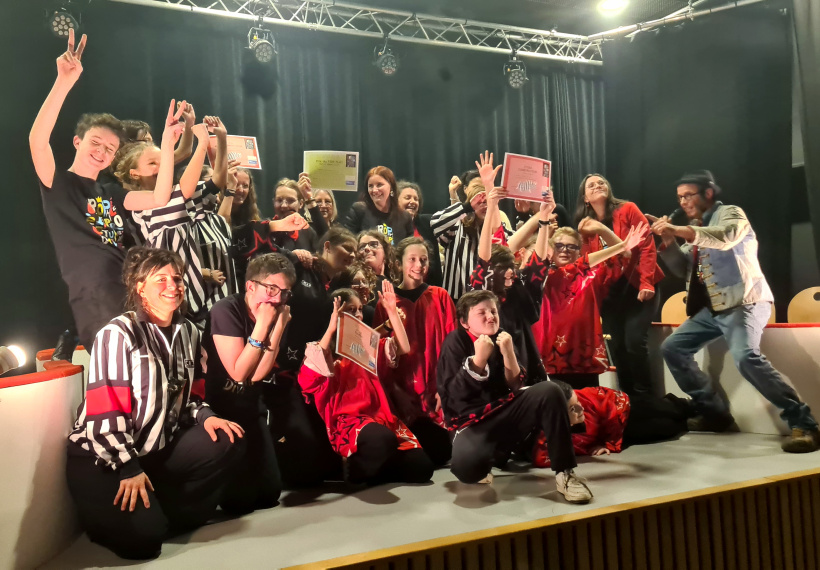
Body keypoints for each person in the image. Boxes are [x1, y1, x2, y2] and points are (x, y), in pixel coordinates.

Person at [65, 247, 245, 560]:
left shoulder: (189, 332)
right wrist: (128, 467)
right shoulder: (117, 333)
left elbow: (187, 397)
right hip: (105, 456)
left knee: (228, 438)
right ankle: (116, 515)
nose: (172, 285)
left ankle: (156, 513)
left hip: (153, 450)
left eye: (177, 278)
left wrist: (206, 416)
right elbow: (106, 410)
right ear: (139, 286)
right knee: (144, 544)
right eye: (160, 279)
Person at [29, 29, 187, 349]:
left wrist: (168, 145)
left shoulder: (111, 192)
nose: (101, 151)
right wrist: (64, 82)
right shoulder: (58, 183)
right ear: (78, 142)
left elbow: (160, 197)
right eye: (95, 142)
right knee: (119, 371)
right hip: (94, 299)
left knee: (153, 367)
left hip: (132, 292)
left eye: (110, 148)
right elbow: (37, 140)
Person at [651, 170, 820, 452]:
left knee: (745, 357)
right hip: (712, 310)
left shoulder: (731, 214)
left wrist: (678, 230)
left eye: (689, 195)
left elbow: (725, 237)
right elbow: (682, 269)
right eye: (679, 197)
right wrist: (668, 243)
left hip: (745, 302)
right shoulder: (694, 227)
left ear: (708, 193)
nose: (683, 202)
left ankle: (803, 422)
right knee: (672, 348)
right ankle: (714, 413)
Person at [436, 290, 592, 503]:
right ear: (465, 322)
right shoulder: (455, 341)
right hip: (471, 424)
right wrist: (478, 361)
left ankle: (565, 473)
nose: (490, 316)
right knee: (467, 470)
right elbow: (453, 396)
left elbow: (517, 385)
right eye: (481, 312)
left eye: (493, 311)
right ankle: (486, 461)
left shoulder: (503, 336)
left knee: (550, 390)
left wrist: (508, 352)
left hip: (505, 413)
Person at [299, 286, 435, 485]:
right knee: (382, 440)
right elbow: (310, 380)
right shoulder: (322, 348)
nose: (358, 315)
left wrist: (392, 313)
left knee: (422, 469)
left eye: (360, 309)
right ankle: (353, 469)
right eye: (351, 310)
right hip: (350, 420)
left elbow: (403, 347)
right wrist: (332, 328)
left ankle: (379, 468)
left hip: (381, 417)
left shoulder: (365, 344)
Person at [204, 253, 294, 513]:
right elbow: (239, 373)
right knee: (239, 503)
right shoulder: (225, 310)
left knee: (269, 495)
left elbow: (257, 376)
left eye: (284, 292)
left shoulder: (279, 314)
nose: (277, 299)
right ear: (250, 286)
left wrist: (278, 328)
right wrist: (263, 324)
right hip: (222, 412)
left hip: (252, 409)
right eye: (271, 289)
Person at [574, 174, 664, 395]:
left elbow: (646, 246)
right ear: (585, 198)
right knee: (616, 346)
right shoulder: (585, 226)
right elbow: (588, 263)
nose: (598, 185)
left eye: (601, 182)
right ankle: (627, 397)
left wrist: (647, 282)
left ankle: (645, 397)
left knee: (634, 341)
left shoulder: (628, 209)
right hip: (611, 293)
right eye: (591, 185)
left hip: (639, 285)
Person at [469, 157, 554, 384]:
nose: (509, 272)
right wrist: (490, 199)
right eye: (502, 268)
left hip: (523, 352)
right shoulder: (483, 285)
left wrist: (544, 217)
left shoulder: (519, 283)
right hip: (489, 355)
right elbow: (486, 254)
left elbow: (539, 263)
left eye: (511, 267)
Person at [374, 237, 457, 466]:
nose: (419, 265)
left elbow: (453, 346)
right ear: (398, 264)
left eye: (423, 259)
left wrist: (446, 388)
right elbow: (380, 355)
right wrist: (395, 393)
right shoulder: (386, 304)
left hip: (436, 395)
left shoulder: (440, 296)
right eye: (412, 259)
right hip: (403, 400)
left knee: (441, 453)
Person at [535, 221, 648, 389]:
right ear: (550, 250)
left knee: (587, 403)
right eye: (559, 245)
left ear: (579, 251)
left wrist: (603, 229)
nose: (565, 250)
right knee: (555, 402)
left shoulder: (593, 273)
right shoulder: (541, 276)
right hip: (550, 357)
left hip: (584, 358)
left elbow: (625, 255)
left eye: (571, 246)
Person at [532, 381, 691, 467]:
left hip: (622, 407)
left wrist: (608, 443)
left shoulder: (582, 398)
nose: (581, 408)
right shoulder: (548, 434)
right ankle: (692, 422)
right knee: (669, 428)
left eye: (577, 402)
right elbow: (542, 457)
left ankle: (699, 406)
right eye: (573, 408)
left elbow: (605, 401)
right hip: (622, 434)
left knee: (674, 409)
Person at [431, 153, 514, 300]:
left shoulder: (496, 228)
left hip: (487, 301)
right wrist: (467, 206)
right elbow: (435, 223)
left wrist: (492, 202)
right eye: (480, 202)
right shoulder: (457, 225)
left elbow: (507, 244)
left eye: (487, 202)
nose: (484, 206)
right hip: (456, 300)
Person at [343, 166, 414, 244]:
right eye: (370, 186)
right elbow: (348, 242)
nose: (374, 190)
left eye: (379, 185)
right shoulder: (359, 210)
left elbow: (408, 247)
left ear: (391, 187)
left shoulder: (405, 217)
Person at [396, 180, 443, 286]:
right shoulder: (387, 225)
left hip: (428, 288)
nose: (413, 201)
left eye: (416, 199)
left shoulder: (428, 222)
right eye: (407, 198)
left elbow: (450, 219)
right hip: (397, 288)